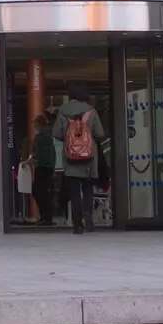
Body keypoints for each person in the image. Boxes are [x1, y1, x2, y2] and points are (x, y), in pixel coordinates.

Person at [53, 92, 107, 234]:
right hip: (89, 158)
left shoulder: (63, 111)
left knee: (74, 192)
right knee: (88, 190)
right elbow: (100, 133)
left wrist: (69, 136)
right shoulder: (91, 111)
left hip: (71, 158)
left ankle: (77, 225)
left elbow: (56, 133)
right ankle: (87, 211)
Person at [30, 112, 58, 227]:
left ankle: (46, 217)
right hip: (45, 167)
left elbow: (39, 152)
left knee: (40, 191)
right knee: (41, 192)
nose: (34, 126)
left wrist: (34, 159)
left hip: (43, 167)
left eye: (35, 123)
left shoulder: (42, 137)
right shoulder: (46, 136)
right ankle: (45, 217)